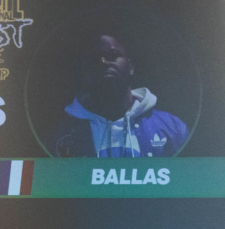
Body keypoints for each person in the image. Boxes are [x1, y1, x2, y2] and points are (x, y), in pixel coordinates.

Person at [46, 32, 189, 158]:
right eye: (94, 59)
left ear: (130, 67)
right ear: (85, 72)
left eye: (112, 55)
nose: (103, 62)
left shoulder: (172, 127)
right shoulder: (59, 134)